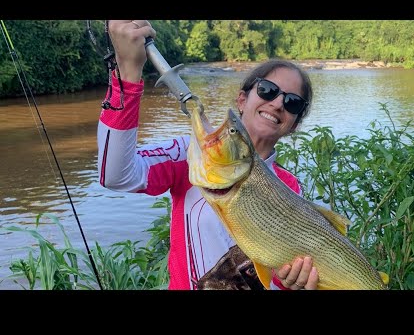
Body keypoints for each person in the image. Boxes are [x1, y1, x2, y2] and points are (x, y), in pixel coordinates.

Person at [97, 20, 319, 290]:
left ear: (294, 124)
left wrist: (291, 283)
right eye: (267, 90)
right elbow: (116, 175)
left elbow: (278, 277)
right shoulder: (191, 154)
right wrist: (127, 74)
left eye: (292, 102)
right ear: (241, 100)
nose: (277, 103)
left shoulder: (291, 187)